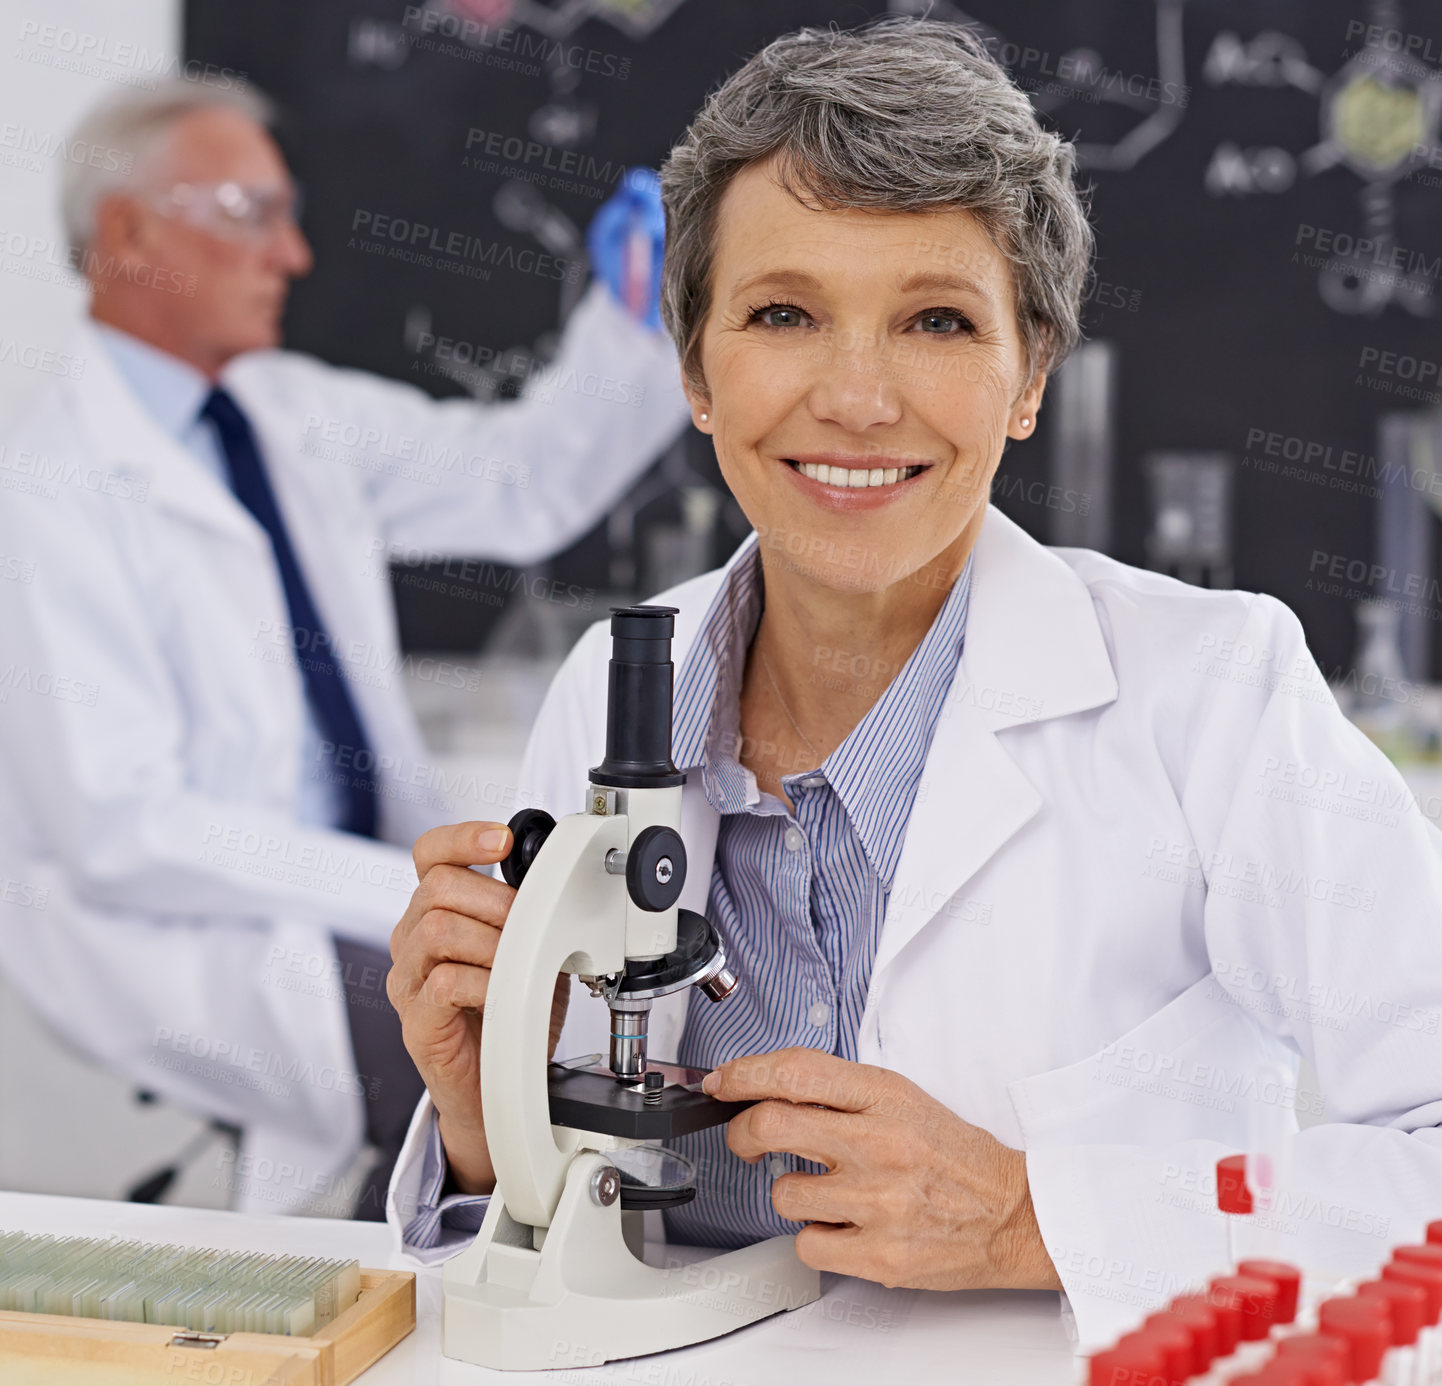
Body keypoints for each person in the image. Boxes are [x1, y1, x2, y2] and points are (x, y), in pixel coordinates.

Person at [384, 17, 1442, 1345]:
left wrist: (1033, 1217)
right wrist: (490, 1127)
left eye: (936, 320)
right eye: (782, 313)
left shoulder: (1210, 696)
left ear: (1029, 374)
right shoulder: (617, 682)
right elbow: (555, 1254)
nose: (858, 397)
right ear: (694, 371)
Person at [0, 79, 690, 1219]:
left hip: (334, 900)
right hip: (176, 934)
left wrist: (629, 321)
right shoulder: (48, 492)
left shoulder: (287, 410)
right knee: (503, 1056)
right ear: (126, 233)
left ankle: (402, 1275)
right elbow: (121, 830)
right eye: (249, 211)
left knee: (504, 1057)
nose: (294, 253)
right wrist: (393, 890)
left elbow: (521, 487)